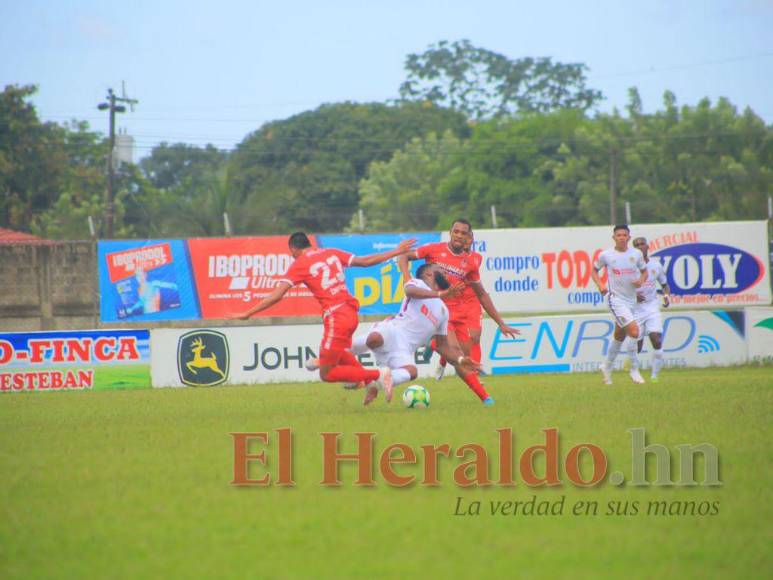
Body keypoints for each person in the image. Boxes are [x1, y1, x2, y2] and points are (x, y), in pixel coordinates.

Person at [233, 232, 416, 403]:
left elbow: (277, 295)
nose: (292, 257)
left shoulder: (300, 263)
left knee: (326, 374)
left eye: (292, 254)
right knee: (340, 353)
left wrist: (248, 313)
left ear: (294, 250)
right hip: (351, 312)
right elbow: (365, 261)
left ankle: (378, 375)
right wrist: (396, 251)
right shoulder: (331, 253)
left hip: (336, 317)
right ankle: (368, 383)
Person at [398, 218, 519, 404]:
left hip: (459, 309)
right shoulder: (433, 249)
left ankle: (484, 396)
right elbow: (403, 256)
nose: (459, 235)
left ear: (468, 238)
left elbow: (482, 294)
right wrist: (406, 278)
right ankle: (486, 398)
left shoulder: (470, 262)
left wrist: (500, 323)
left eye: (463, 233)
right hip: (438, 310)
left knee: (463, 357)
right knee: (455, 353)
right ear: (450, 232)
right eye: (456, 231)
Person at [327, 262, 480, 405]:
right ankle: (335, 357)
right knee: (375, 338)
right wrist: (440, 295)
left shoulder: (444, 312)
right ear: (428, 273)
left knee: (412, 372)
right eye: (441, 271)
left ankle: (376, 382)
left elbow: (442, 346)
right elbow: (409, 291)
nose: (445, 275)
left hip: (404, 348)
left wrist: (460, 360)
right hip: (394, 330)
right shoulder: (417, 283)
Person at [590, 225, 648, 385]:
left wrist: (641, 281)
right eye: (619, 235)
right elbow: (594, 271)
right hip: (615, 299)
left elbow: (644, 271)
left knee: (620, 335)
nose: (622, 237)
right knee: (635, 332)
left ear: (629, 237)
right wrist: (600, 285)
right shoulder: (606, 255)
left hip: (631, 300)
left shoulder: (636, 254)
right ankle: (634, 369)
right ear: (613, 237)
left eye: (624, 235)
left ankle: (606, 367)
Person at [433, 234, 484, 380]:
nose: (465, 241)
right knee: (451, 337)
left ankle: (475, 374)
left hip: (472, 301)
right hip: (455, 300)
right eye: (463, 238)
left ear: (472, 240)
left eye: (468, 238)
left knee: (475, 337)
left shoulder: (476, 258)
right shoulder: (450, 258)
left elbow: (470, 276)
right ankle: (443, 361)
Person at [627, 236, 672, 382]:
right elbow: (620, 288)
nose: (640, 246)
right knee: (637, 346)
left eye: (642, 244)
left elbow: (665, 285)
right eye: (637, 245)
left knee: (656, 339)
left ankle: (654, 376)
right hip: (635, 309)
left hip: (652, 306)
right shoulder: (628, 267)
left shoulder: (656, 266)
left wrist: (666, 297)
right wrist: (633, 296)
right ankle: (634, 371)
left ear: (647, 246)